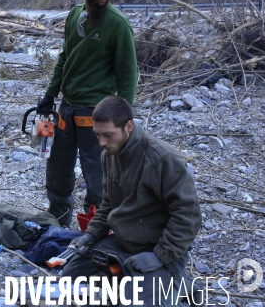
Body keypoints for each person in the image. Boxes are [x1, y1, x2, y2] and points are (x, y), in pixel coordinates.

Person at [63, 95, 202, 306]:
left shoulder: (163, 159)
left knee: (134, 301)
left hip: (160, 248)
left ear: (128, 126)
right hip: (123, 242)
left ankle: (180, 281)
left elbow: (188, 217)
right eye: (97, 135)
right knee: (71, 277)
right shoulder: (109, 154)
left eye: (108, 135)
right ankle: (150, 280)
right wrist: (90, 236)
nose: (101, 143)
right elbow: (108, 204)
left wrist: (160, 255)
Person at [37, 0, 137, 226]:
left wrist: (122, 119)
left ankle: (96, 228)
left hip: (97, 113)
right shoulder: (74, 16)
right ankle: (57, 221)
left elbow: (128, 75)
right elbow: (64, 58)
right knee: (57, 170)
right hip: (66, 110)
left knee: (98, 176)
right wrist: (50, 93)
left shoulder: (117, 24)